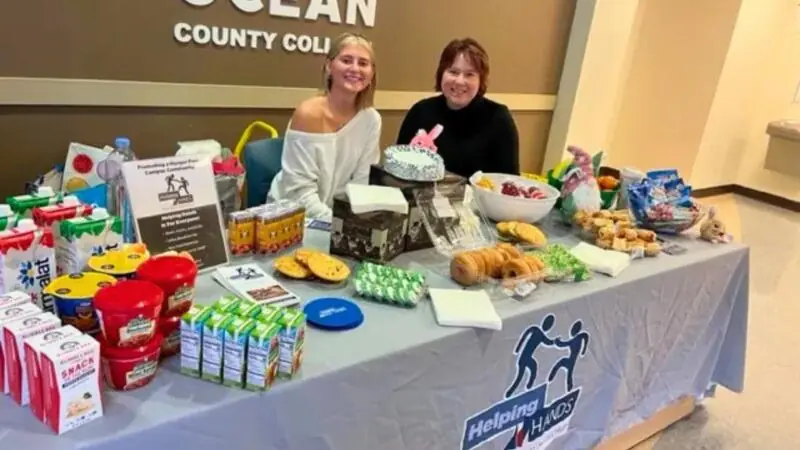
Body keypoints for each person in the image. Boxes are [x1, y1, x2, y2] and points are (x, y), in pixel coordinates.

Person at [268, 33, 381, 219]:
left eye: (363, 63)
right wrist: (338, 227)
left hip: (339, 218)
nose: (355, 68)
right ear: (329, 66)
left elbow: (362, 183)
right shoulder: (308, 114)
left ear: (372, 73)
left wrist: (352, 224)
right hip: (292, 216)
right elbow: (299, 195)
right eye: (346, 60)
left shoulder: (371, 119)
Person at [396, 38, 519, 178]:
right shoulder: (420, 111)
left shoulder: (498, 118)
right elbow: (398, 169)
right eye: (453, 72)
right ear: (441, 73)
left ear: (481, 80)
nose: (460, 81)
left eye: (469, 74)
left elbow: (509, 181)